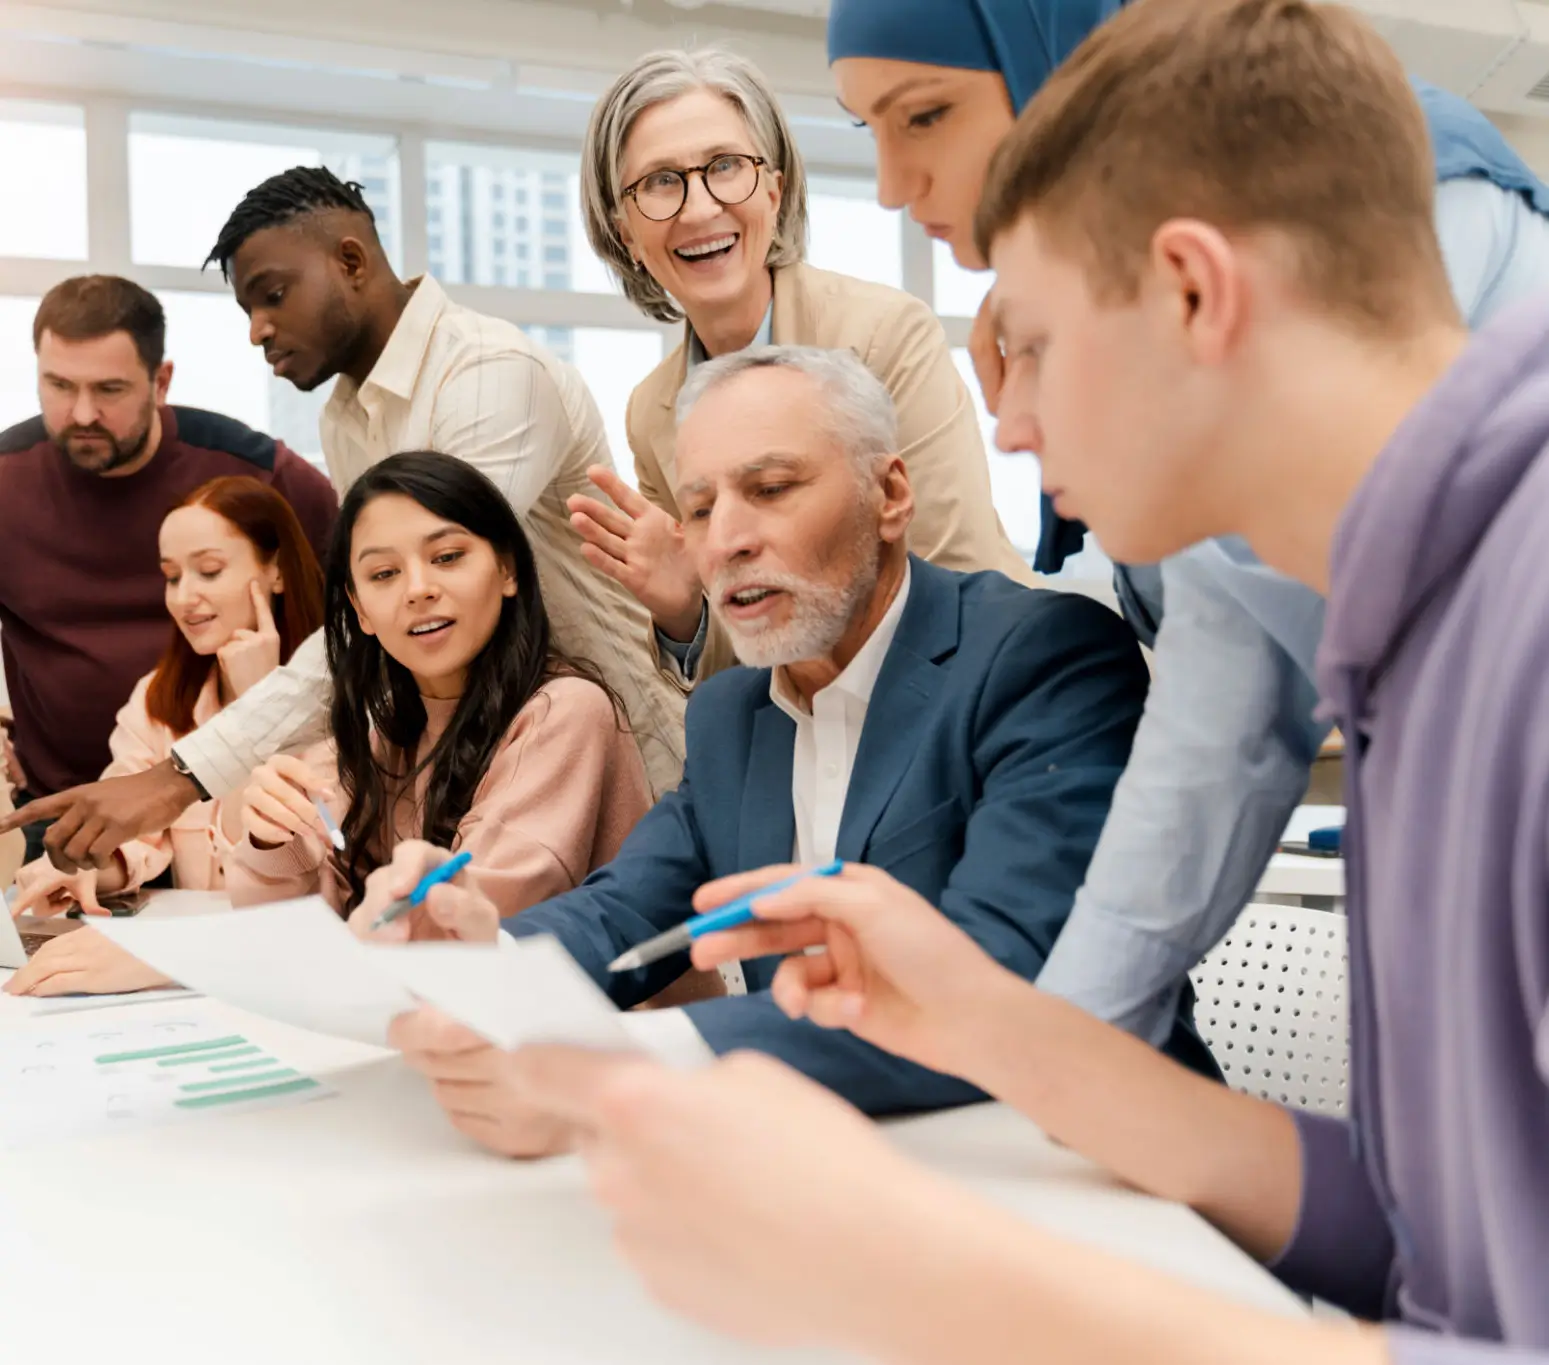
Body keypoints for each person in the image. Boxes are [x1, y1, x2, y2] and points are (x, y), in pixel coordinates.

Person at [476, 4, 1549, 1361]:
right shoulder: (1411, 636)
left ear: (1192, 293)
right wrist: (994, 1027)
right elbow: (1442, 1242)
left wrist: (955, 1288)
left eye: (1025, 342)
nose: (1009, 422)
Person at [825, 0, 1549, 1045]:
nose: (893, 186)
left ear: (1197, 292)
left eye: (925, 115)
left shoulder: (1384, 215)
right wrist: (1045, 1053)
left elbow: (1229, 699)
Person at [348, 343, 1212, 1155]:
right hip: (844, 1169)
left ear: (891, 494)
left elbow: (1000, 976)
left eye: (769, 488)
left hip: (1090, 1170)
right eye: (698, 507)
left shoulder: (1038, 654)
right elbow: (621, 911)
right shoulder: (731, 713)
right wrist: (474, 954)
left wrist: (621, 1067)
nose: (725, 539)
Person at [0, 169, 686, 873]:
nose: (257, 331)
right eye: (246, 309)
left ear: (351, 262)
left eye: (272, 296)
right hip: (477, 748)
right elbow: (371, 623)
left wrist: (177, 780)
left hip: (617, 734)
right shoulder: (346, 419)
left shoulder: (489, 374)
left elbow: (394, 616)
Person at [567, 46, 1036, 683]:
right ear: (624, 231)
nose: (700, 208)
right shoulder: (653, 411)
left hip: (967, 689)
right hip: (800, 734)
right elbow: (737, 663)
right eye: (659, 182)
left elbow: (960, 572)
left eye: (726, 166)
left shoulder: (881, 336)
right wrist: (684, 613)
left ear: (774, 188)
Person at [219, 451, 652, 925]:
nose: (418, 589)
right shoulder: (384, 733)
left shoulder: (566, 710)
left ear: (508, 569)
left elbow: (472, 910)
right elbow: (291, 933)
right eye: (384, 574)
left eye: (447, 557)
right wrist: (274, 844)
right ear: (359, 609)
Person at [0, 276, 336, 866]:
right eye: (58, 385)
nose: (81, 413)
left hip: (239, 790)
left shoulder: (262, 476)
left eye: (108, 389)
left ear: (161, 382)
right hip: (67, 815)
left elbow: (357, 620)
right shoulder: (5, 483)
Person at [4, 476, 325, 997]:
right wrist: (94, 867)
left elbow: (309, 878)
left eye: (210, 571)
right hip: (188, 982)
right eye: (172, 577)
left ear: (278, 571)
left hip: (291, 971)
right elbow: (135, 828)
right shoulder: (157, 699)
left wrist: (258, 700)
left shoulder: (339, 699)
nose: (184, 598)